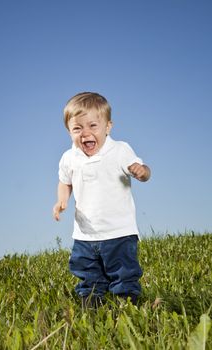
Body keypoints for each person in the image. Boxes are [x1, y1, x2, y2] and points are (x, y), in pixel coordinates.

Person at [53, 92, 151, 308]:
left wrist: (141, 171)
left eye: (93, 126)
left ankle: (127, 306)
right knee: (87, 272)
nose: (85, 133)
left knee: (123, 273)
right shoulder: (69, 158)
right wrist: (61, 201)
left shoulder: (119, 150)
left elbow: (146, 172)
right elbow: (65, 181)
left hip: (119, 232)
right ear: (69, 131)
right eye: (77, 128)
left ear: (108, 127)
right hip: (85, 234)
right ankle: (91, 305)